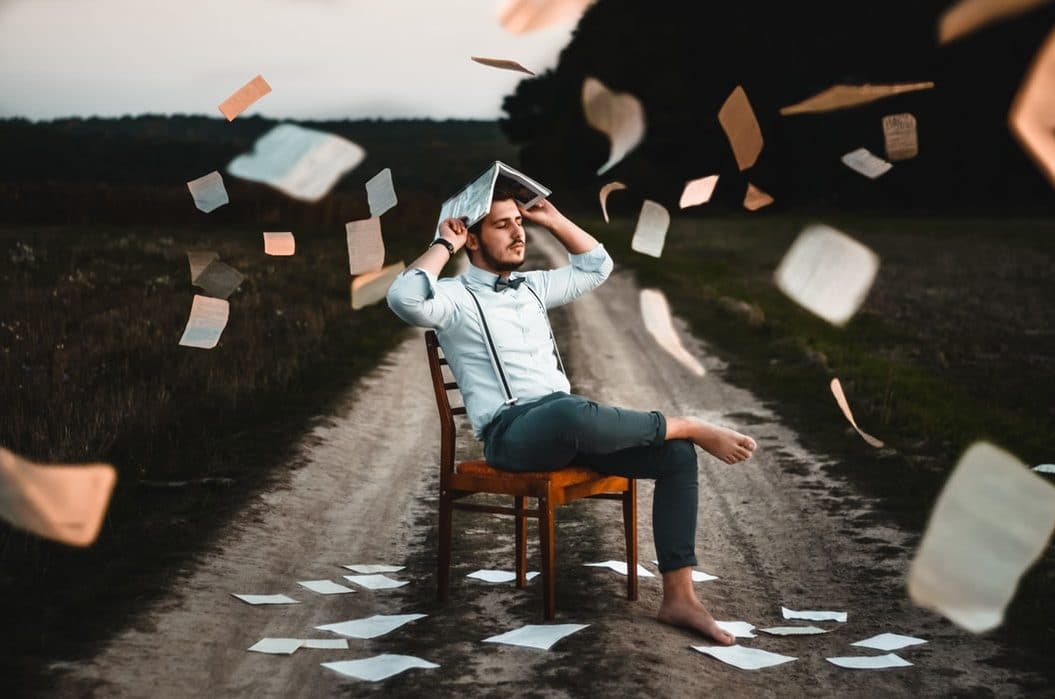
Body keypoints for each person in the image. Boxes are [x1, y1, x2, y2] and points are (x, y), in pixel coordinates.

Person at [386, 183, 757, 645]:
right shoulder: (453, 297)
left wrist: (553, 220)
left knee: (676, 457)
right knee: (573, 414)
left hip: (567, 426)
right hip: (513, 435)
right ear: (472, 238)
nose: (518, 234)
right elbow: (403, 299)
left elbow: (598, 266)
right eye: (504, 226)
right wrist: (444, 243)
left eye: (519, 223)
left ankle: (679, 598)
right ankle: (685, 424)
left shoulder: (535, 285)